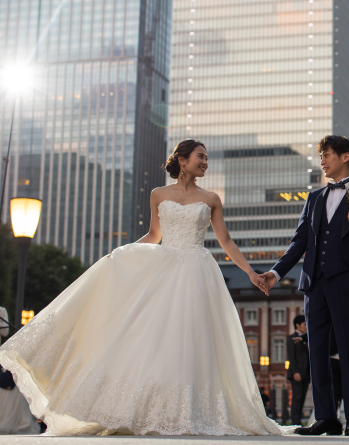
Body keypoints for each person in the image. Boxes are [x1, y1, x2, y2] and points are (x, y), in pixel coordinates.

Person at [0, 140, 287, 436]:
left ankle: (190, 409)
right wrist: (122, 255)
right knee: (152, 338)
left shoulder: (211, 198)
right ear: (183, 160)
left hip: (198, 273)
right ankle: (144, 409)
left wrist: (251, 272)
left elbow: (225, 241)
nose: (205, 162)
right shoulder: (158, 194)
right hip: (164, 271)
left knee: (192, 337)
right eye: (201, 156)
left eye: (206, 158)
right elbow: (154, 234)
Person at [265, 135, 349, 437]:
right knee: (317, 351)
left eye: (326, 155)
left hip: (348, 283)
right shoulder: (314, 198)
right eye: (320, 156)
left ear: (345, 157)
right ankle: (326, 417)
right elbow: (300, 241)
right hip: (314, 284)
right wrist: (275, 273)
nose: (322, 160)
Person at [287, 315, 310, 426]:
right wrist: (295, 372)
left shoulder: (306, 338)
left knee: (302, 399)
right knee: (296, 398)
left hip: (306, 374)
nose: (306, 327)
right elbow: (292, 357)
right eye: (304, 324)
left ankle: (299, 421)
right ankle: (295, 422)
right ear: (297, 325)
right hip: (297, 373)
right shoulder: (291, 338)